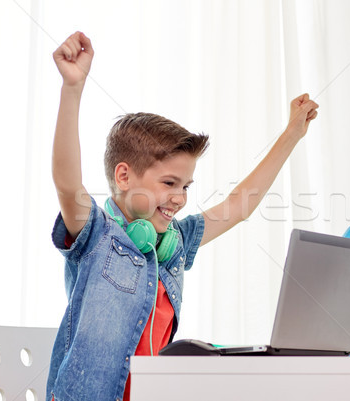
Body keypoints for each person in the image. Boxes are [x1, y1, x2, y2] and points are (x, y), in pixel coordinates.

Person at [47, 31, 319, 401]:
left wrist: (292, 134)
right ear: (124, 176)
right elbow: (67, 182)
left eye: (186, 186)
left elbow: (239, 205)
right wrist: (72, 88)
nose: (179, 199)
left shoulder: (171, 243)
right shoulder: (96, 234)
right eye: (170, 183)